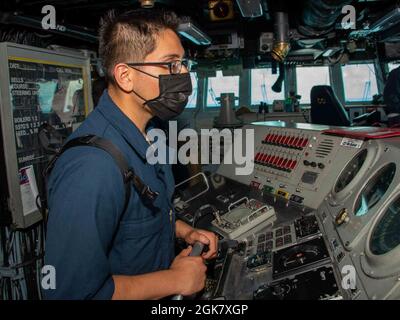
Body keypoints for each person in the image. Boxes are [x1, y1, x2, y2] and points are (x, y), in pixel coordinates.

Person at [44, 9, 218, 300]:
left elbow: (136, 216)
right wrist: (175, 280)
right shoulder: (91, 168)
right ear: (125, 76)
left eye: (183, 63)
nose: (183, 74)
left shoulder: (151, 133)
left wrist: (183, 231)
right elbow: (72, 294)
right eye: (170, 64)